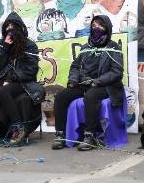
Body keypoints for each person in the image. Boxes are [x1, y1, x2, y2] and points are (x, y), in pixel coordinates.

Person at [51, 15, 124, 151]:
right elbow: (75, 67)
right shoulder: (86, 47)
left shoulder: (113, 47)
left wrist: (98, 81)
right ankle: (61, 134)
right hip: (84, 84)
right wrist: (73, 80)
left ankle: (90, 136)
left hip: (106, 86)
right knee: (61, 96)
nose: (96, 28)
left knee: (91, 96)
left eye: (100, 25)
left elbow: (117, 71)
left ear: (107, 29)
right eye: (94, 25)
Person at [0, 12, 44, 145]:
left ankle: (18, 128)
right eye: (7, 26)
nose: (9, 29)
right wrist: (4, 47)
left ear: (20, 28)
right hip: (3, 78)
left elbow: (30, 69)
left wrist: (11, 79)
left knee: (3, 91)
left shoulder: (29, 45)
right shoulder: (3, 43)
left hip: (23, 81)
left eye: (13, 26)